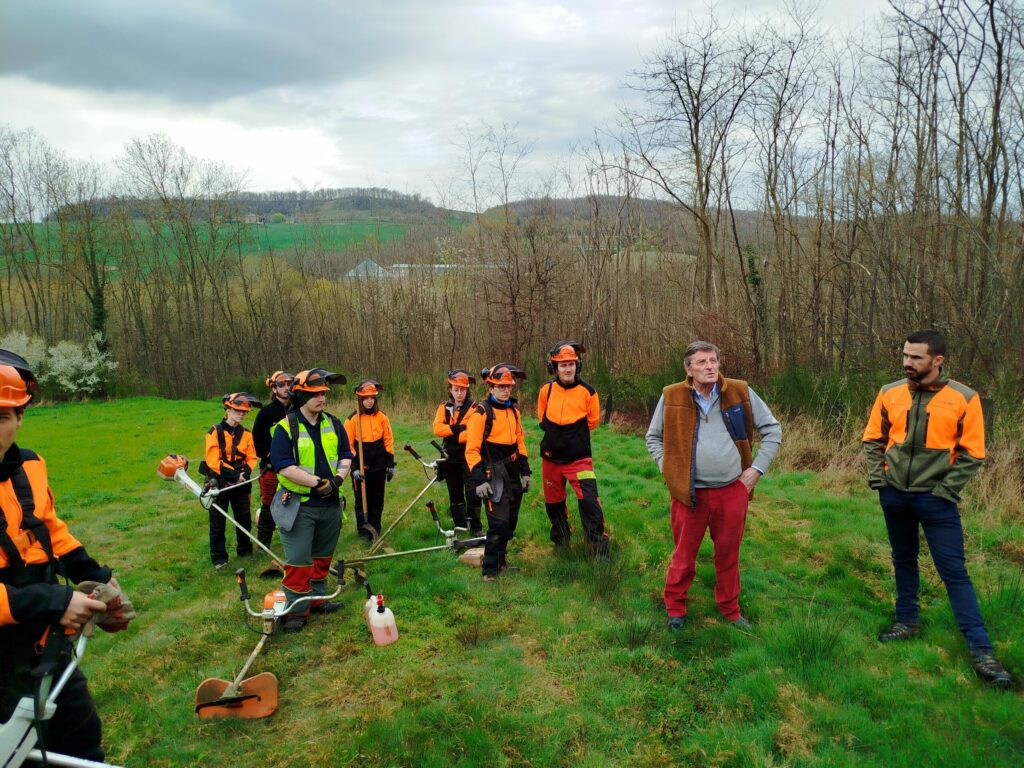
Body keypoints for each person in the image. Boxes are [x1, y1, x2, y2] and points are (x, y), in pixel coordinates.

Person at [0, 349, 132, 762]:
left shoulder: (29, 467)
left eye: (1, 417)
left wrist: (98, 577)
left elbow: (51, 531)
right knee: (17, 754)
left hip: (44, 642)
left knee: (80, 735)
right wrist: (57, 601)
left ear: (20, 417)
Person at [863, 329, 1012, 688]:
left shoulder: (964, 398)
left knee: (954, 572)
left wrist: (945, 491)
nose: (907, 362)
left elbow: (974, 452)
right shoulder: (889, 392)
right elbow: (872, 439)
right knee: (903, 559)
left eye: (915, 357)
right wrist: (879, 480)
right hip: (895, 495)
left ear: (938, 360)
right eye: (905, 355)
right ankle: (906, 621)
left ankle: (981, 650)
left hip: (936, 500)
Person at [646, 341, 781, 631]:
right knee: (683, 556)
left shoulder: (739, 392)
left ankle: (730, 609)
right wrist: (669, 469)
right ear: (689, 369)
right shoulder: (671, 396)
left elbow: (772, 429)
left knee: (728, 555)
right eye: (702, 362)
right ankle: (675, 608)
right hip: (689, 494)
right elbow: (653, 437)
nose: (710, 367)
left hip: (732, 491)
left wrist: (756, 469)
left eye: (713, 361)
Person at [270, 368, 353, 633]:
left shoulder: (334, 423)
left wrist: (336, 480)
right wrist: (317, 483)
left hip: (329, 504)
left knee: (322, 557)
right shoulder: (285, 428)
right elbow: (284, 467)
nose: (322, 398)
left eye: (323, 393)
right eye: (315, 394)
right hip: (299, 505)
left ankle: (318, 599)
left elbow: (346, 455)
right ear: (301, 396)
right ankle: (296, 611)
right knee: (298, 561)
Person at [537, 341, 609, 555]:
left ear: (578, 365)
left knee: (589, 501)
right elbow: (542, 417)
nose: (568, 369)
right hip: (551, 458)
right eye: (563, 365)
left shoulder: (588, 392)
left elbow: (593, 422)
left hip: (579, 458)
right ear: (555, 368)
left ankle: (597, 546)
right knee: (554, 503)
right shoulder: (546, 390)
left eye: (571, 364)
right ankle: (561, 540)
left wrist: (573, 436)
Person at [465, 363, 531, 582]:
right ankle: (490, 571)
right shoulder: (481, 413)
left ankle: (502, 561)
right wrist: (479, 481)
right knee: (498, 523)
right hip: (492, 473)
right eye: (501, 386)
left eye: (508, 386)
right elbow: (471, 450)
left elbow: (520, 442)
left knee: (510, 522)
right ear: (491, 387)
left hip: (513, 471)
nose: (506, 390)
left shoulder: (514, 411)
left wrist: (525, 471)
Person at [202, 392, 260, 569]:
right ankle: (219, 558)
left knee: (244, 518)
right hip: (218, 481)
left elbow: (252, 457)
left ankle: (245, 551)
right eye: (237, 411)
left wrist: (245, 474)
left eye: (244, 412)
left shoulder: (247, 434)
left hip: (241, 482)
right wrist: (234, 476)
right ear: (227, 410)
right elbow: (212, 461)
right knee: (217, 522)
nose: (241, 414)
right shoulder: (214, 431)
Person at [344, 380, 396, 543]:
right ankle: (363, 531)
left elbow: (388, 440)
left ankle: (376, 527)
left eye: (372, 398)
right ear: (360, 399)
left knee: (378, 499)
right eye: (366, 398)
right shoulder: (352, 420)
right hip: (361, 467)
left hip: (379, 466)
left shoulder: (382, 417)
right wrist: (354, 468)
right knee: (362, 500)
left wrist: (390, 463)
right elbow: (347, 446)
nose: (369, 401)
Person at [432, 369, 483, 535]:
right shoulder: (443, 407)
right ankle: (460, 525)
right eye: (456, 390)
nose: (459, 393)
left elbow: (474, 433)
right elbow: (437, 429)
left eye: (462, 390)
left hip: (469, 455)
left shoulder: (475, 408)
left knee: (473, 492)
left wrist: (452, 434)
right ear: (450, 390)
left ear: (467, 390)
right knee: (454, 493)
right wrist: (459, 429)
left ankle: (475, 527)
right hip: (449, 457)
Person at [252, 370, 294, 549]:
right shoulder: (265, 413)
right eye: (281, 385)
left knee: (293, 504)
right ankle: (264, 545)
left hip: (294, 468)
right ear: (274, 389)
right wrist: (270, 455)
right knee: (269, 505)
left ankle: (293, 541)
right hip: (271, 469)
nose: (286, 387)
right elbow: (257, 441)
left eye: (289, 384)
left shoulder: (298, 410)